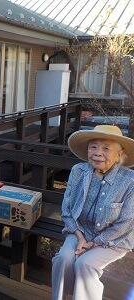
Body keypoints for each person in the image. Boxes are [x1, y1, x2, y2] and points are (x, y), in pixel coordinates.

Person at [52, 125, 134, 300]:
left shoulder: (130, 182)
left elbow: (126, 223)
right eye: (93, 146)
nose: (97, 153)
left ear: (119, 155)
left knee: (85, 264)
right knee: (63, 259)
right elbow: (67, 209)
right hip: (80, 230)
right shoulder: (78, 171)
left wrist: (95, 242)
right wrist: (80, 237)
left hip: (113, 239)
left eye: (106, 148)